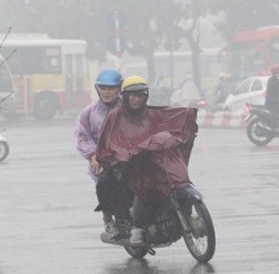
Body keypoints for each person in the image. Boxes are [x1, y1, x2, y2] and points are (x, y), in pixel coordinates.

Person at [96, 75, 198, 247]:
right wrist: (123, 153)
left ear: (146, 96)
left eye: (140, 95)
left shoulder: (151, 113)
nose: (136, 99)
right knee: (131, 185)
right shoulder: (115, 116)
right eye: (132, 95)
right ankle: (135, 227)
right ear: (125, 97)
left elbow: (171, 118)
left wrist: (188, 118)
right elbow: (107, 141)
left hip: (149, 162)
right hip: (126, 165)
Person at [75, 69, 124, 242]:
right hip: (104, 160)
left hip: (129, 156)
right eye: (103, 88)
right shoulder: (89, 112)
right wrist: (93, 155)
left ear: (119, 89)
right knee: (104, 184)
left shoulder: (129, 107)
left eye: (111, 88)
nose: (107, 91)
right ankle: (108, 221)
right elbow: (82, 136)